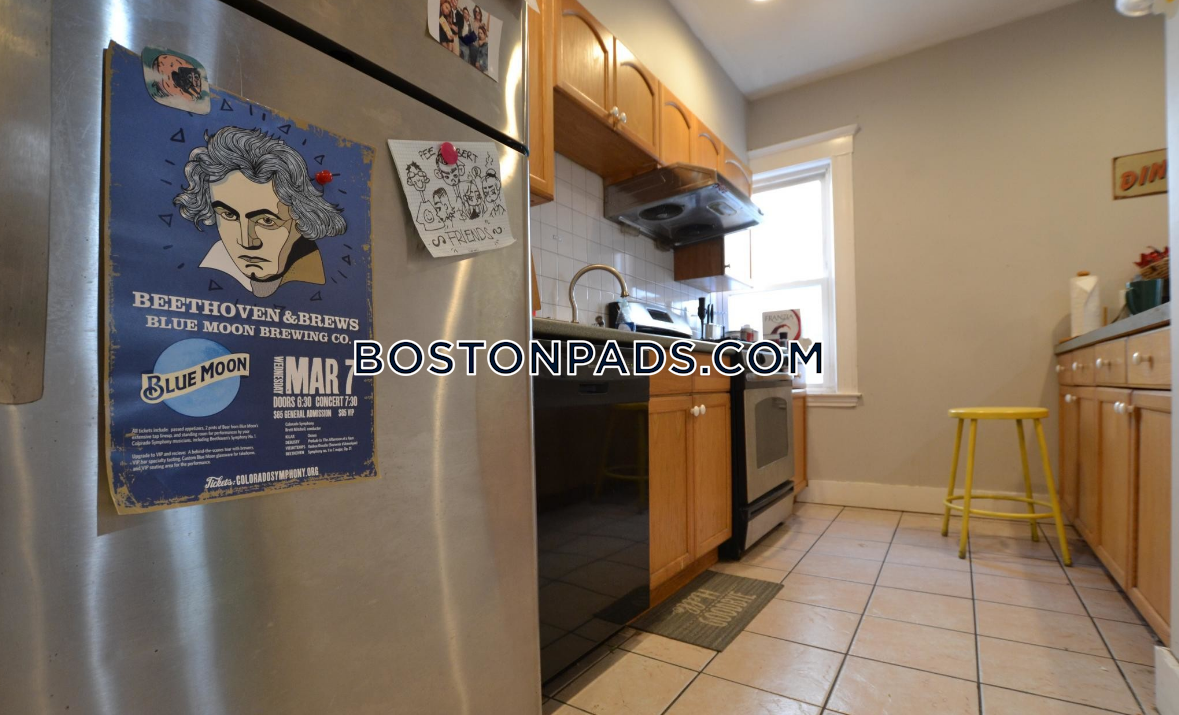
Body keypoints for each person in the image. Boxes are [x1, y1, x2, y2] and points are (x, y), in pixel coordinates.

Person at [173, 126, 346, 298]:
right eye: (229, 215)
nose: (247, 242)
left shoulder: (322, 286)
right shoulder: (209, 268)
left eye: (266, 221)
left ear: (302, 218)